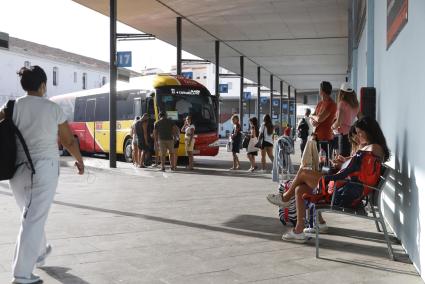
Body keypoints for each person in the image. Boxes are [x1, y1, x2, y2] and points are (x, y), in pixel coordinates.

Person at [0, 66, 84, 284]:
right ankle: (21, 275)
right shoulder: (52, 108)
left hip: (16, 171)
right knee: (33, 218)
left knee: (30, 216)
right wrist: (79, 160)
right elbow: (67, 140)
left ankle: (39, 251)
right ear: (43, 85)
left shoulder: (11, 106)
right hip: (44, 169)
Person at [267, 116, 390, 243]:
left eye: (360, 132)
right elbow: (359, 167)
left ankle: (285, 198)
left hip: (344, 192)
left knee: (303, 172)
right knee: (300, 189)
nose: (358, 136)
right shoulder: (370, 149)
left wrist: (350, 159)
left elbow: (359, 164)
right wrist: (346, 161)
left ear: (370, 131)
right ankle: (299, 230)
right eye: (357, 133)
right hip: (347, 188)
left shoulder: (374, 148)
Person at [310, 81, 337, 160]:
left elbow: (319, 118)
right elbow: (314, 117)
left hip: (326, 137)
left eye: (319, 89)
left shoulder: (331, 104)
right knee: (315, 161)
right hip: (316, 136)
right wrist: (312, 121)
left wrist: (311, 116)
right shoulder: (320, 103)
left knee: (325, 162)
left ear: (322, 90)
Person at [331, 82, 359, 157]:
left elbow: (339, 122)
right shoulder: (356, 104)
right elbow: (360, 118)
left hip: (343, 135)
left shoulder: (342, 104)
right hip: (353, 134)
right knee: (350, 157)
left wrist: (332, 127)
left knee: (342, 158)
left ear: (342, 92)